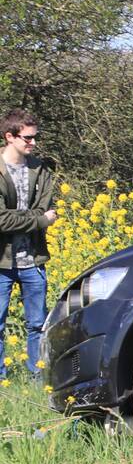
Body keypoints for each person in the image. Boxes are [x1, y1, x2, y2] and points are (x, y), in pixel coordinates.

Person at [0, 109, 55, 380]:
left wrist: (25, 217)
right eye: (28, 138)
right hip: (2, 261)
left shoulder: (40, 169)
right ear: (9, 137)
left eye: (35, 137)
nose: (33, 143)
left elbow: (46, 207)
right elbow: (1, 220)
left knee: (37, 324)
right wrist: (39, 220)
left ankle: (37, 378)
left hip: (33, 259)